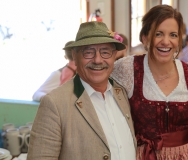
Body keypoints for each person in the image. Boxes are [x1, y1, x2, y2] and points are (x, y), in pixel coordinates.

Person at [111, 5, 188, 159]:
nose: (166, 41)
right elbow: (95, 79)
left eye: (173, 35)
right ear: (145, 37)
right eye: (158, 34)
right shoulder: (128, 68)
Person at [27, 22, 136, 160]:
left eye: (105, 52)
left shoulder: (121, 93)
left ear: (114, 56)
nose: (97, 60)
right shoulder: (55, 104)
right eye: (88, 52)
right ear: (75, 56)